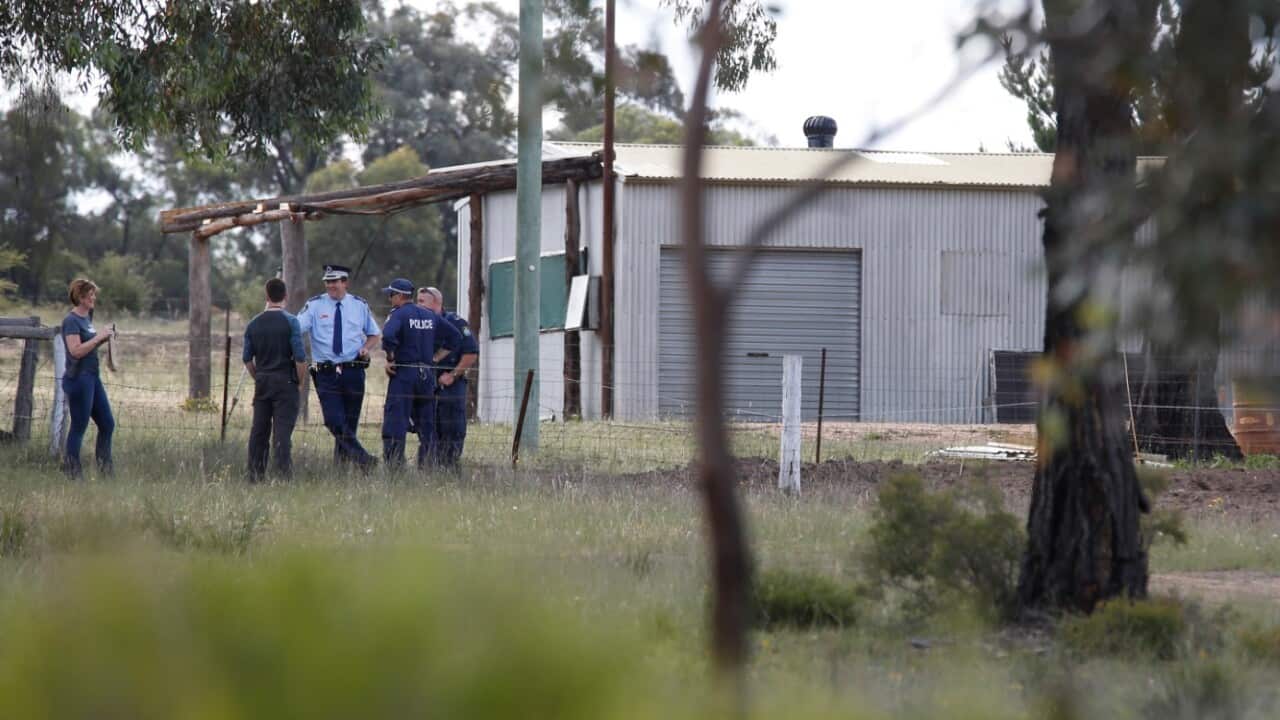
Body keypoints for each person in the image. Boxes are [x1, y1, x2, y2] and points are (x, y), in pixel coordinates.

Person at [296, 264, 381, 469]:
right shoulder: (314, 305)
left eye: (335, 281)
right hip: (325, 371)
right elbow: (296, 328)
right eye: (328, 282)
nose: (331, 286)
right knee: (333, 420)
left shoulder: (360, 305)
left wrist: (366, 348)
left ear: (345, 283)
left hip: (353, 370)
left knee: (349, 423)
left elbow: (374, 334)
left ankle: (340, 469)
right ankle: (363, 459)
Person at [382, 279, 462, 468]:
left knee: (396, 421)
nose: (389, 299)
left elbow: (388, 336)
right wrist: (435, 358)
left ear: (400, 296)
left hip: (404, 374)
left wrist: (390, 357)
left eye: (391, 295)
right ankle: (429, 467)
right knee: (427, 425)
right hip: (426, 375)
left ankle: (394, 468)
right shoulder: (429, 315)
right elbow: (455, 337)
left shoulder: (399, 314)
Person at [243, 278, 307, 481]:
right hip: (285, 382)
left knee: (259, 430)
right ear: (285, 296)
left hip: (263, 381)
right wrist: (299, 381)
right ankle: (283, 475)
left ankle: (255, 474)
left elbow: (247, 359)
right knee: (282, 433)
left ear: (266, 297)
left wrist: (258, 376)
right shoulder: (291, 322)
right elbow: (300, 357)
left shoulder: (253, 324)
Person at [417, 286, 479, 468]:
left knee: (452, 428)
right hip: (426, 384)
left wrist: (453, 375)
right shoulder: (417, 323)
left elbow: (471, 353)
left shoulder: (456, 323)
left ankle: (450, 468)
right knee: (427, 428)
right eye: (417, 301)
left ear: (436, 303)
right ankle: (426, 468)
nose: (417, 305)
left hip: (450, 385)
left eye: (422, 301)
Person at [60, 278, 116, 478]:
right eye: (91, 294)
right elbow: (75, 351)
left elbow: (90, 345)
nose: (94, 297)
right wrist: (98, 337)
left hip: (93, 377)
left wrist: (105, 337)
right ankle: (72, 473)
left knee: (108, 424)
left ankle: (106, 471)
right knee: (79, 426)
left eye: (94, 294)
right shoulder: (71, 321)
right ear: (81, 297)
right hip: (79, 380)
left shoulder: (87, 319)